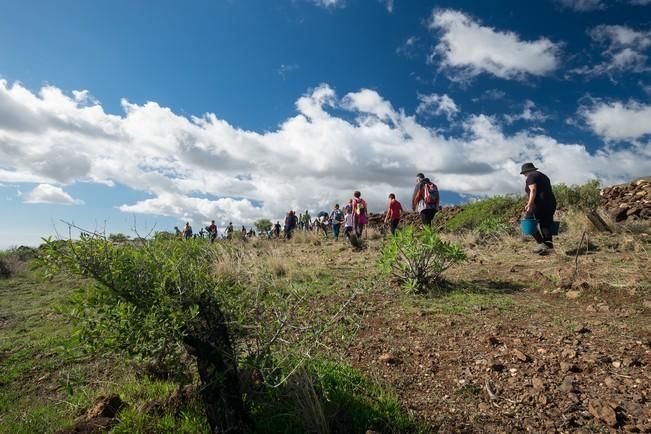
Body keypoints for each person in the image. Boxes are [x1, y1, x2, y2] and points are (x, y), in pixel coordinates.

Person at [521, 162, 557, 255]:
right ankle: (549, 249)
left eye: (524, 173)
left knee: (527, 222)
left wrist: (529, 204)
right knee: (546, 224)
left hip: (539, 204)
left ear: (527, 171)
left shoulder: (531, 177)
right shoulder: (544, 176)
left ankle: (541, 243)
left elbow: (533, 190)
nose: (524, 175)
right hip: (551, 203)